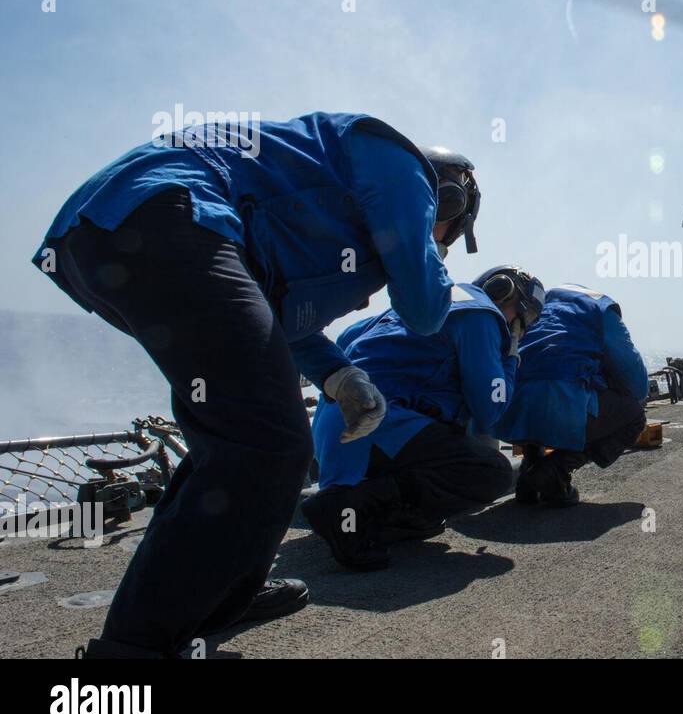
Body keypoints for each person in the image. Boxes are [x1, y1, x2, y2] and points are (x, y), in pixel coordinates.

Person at [31, 112, 480, 658]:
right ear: (449, 205)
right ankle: (132, 655)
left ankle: (221, 594)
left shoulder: (323, 200)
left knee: (234, 438)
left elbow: (270, 312)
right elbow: (424, 308)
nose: (440, 239)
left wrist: (338, 373)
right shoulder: (400, 163)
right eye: (446, 231)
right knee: (266, 444)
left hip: (111, 234)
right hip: (170, 213)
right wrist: (430, 251)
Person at [305, 266, 545, 570]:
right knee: (490, 472)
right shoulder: (482, 315)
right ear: (507, 297)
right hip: (377, 427)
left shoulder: (409, 308)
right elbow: (490, 408)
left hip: (332, 435)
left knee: (436, 454)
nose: (521, 329)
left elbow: (344, 343)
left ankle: (364, 512)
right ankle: (347, 507)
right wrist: (511, 357)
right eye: (525, 320)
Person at [496, 284, 648, 506]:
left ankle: (530, 471)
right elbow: (638, 385)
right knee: (633, 416)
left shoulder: (537, 306)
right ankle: (555, 470)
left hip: (507, 415)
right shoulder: (601, 309)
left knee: (539, 384)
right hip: (559, 408)